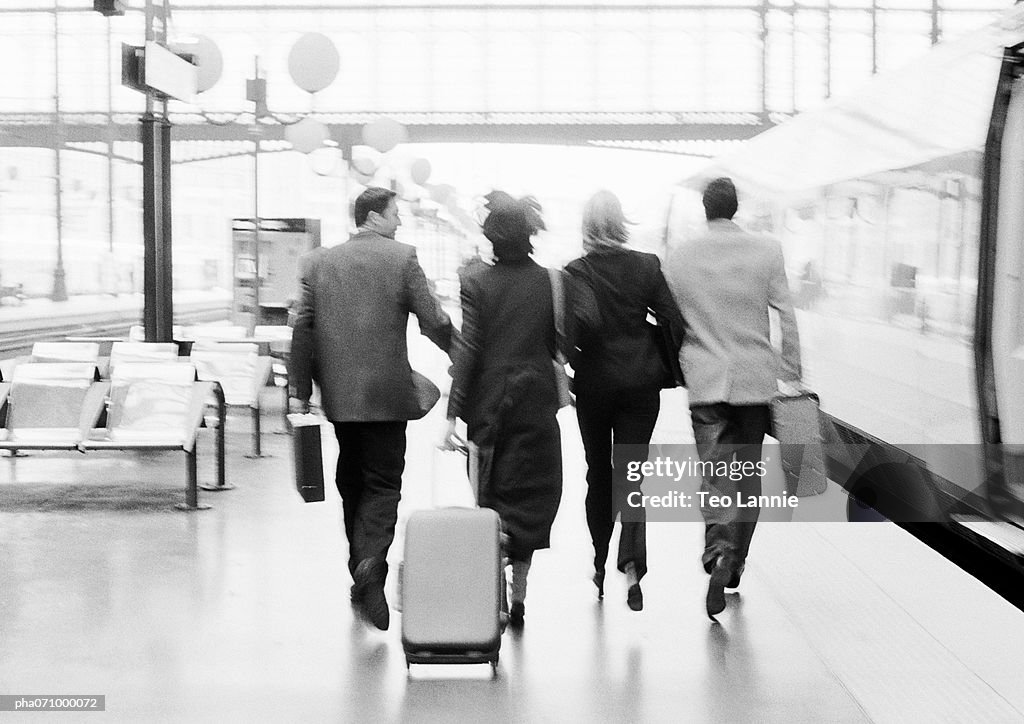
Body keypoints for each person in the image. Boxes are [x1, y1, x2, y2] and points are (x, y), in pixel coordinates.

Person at [289, 187, 454, 631]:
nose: (400, 222)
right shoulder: (402, 258)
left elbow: (302, 328)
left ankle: (359, 569)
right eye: (396, 213)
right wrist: (461, 353)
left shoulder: (319, 262)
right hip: (387, 395)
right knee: (383, 484)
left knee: (352, 481)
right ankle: (371, 564)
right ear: (375, 215)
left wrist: (299, 390)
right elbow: (434, 320)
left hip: (341, 400)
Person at [441, 194, 583, 629]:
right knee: (531, 498)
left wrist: (452, 412)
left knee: (491, 497)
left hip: (488, 410)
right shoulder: (554, 282)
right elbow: (568, 341)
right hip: (536, 403)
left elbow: (469, 350)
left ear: (491, 240)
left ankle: (498, 594)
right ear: (530, 237)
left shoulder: (475, 281)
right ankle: (519, 596)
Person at [664, 177, 802, 619]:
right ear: (735, 208)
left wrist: (678, 363)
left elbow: (668, 318)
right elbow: (787, 316)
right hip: (754, 384)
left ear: (705, 209)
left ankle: (718, 551)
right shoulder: (767, 250)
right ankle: (737, 561)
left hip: (705, 381)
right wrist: (792, 375)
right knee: (748, 477)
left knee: (715, 473)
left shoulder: (680, 255)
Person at [564, 190, 684, 612]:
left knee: (598, 472)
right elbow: (673, 318)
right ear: (621, 222)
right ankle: (632, 566)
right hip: (639, 385)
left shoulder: (575, 272)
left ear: (586, 227)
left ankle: (599, 559)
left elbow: (570, 330)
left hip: (594, 385)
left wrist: (577, 361)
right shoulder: (647, 266)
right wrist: (652, 348)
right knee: (632, 474)